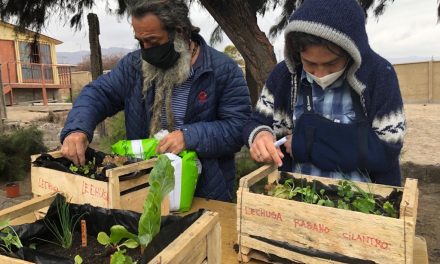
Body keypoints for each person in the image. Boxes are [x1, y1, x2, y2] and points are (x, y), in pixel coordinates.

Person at [60, 0, 251, 201]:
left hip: (205, 194)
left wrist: (189, 136)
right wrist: (77, 129)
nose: (146, 50)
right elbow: (98, 93)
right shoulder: (134, 67)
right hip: (143, 189)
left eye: (152, 41)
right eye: (140, 41)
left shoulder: (223, 71)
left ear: (180, 31)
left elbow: (238, 127)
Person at [243, 0, 405, 186]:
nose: (320, 74)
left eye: (331, 64)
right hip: (296, 195)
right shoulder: (284, 76)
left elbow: (387, 150)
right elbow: (256, 122)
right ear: (297, 53)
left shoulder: (379, 75)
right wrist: (260, 135)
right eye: (309, 63)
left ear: (352, 51)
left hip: (366, 202)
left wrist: (306, 142)